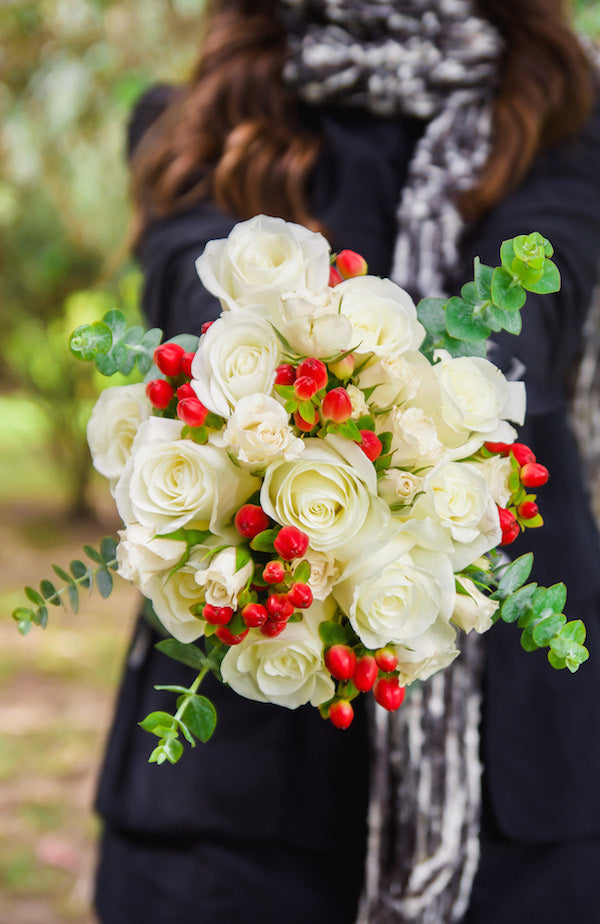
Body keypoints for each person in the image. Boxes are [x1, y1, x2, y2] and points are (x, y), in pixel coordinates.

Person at [94, 1, 600, 921]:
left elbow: (528, 325)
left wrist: (379, 405)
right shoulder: (194, 121)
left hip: (518, 785)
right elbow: (187, 315)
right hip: (232, 795)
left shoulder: (565, 118)